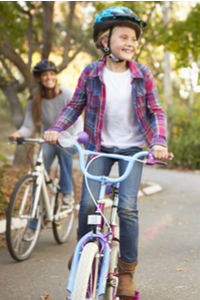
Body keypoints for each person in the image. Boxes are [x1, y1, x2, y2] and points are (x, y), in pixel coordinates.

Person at [43, 6, 168, 298]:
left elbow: (156, 111)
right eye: (123, 37)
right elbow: (75, 105)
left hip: (132, 150)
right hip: (98, 147)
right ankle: (83, 248)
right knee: (88, 205)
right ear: (104, 41)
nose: (130, 44)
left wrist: (159, 142)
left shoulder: (143, 74)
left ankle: (126, 272)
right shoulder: (91, 72)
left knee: (127, 208)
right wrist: (57, 129)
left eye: (134, 40)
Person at [8, 59, 83, 215]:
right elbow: (29, 126)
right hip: (48, 141)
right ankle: (34, 220)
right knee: (39, 171)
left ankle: (67, 193)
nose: (49, 77)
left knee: (62, 149)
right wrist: (19, 133)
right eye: (45, 75)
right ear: (38, 78)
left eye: (51, 74)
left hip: (67, 139)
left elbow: (78, 118)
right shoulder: (34, 100)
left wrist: (75, 137)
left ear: (55, 76)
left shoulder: (66, 93)